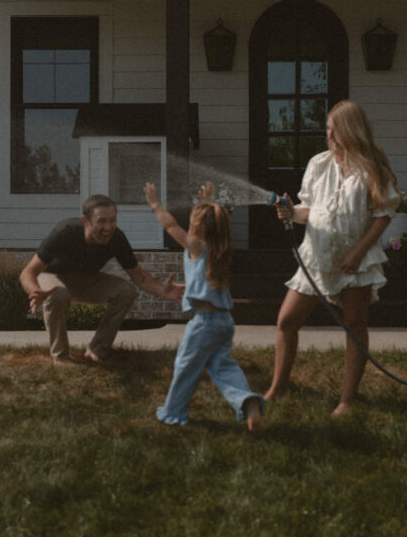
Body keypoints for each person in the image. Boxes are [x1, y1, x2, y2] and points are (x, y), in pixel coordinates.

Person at [263, 100, 400, 415]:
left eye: (335, 132)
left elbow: (383, 215)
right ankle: (278, 388)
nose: (330, 137)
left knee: (354, 324)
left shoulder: (372, 170)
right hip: (315, 257)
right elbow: (306, 212)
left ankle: (346, 401)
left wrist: (358, 252)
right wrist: (289, 211)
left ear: (352, 132)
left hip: (354, 260)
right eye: (327, 131)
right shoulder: (318, 164)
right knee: (286, 321)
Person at [143, 181, 264, 431]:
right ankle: (247, 401)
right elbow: (205, 223)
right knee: (223, 365)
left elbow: (170, 225)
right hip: (224, 322)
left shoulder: (195, 247)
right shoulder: (219, 250)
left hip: (204, 323)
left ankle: (173, 413)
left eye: (193, 219)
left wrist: (155, 204)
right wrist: (207, 202)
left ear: (197, 227)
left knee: (185, 366)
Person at [19, 194, 183, 364]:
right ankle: (60, 357)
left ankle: (97, 349)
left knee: (126, 291)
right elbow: (28, 272)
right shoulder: (66, 231)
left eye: (113, 220)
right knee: (58, 294)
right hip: (53, 277)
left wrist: (162, 290)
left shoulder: (117, 238)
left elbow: (139, 277)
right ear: (85, 221)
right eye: (102, 221)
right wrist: (34, 290)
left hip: (86, 280)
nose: (108, 227)